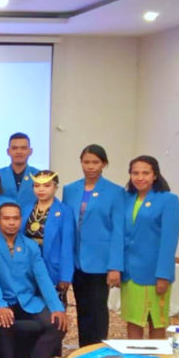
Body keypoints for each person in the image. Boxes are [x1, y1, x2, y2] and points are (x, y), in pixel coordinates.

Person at [0, 202, 68, 358]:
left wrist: (57, 307)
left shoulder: (31, 246)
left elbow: (43, 278)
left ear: (21, 220)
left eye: (15, 218)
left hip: (28, 300)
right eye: (6, 218)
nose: (11, 222)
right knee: (5, 322)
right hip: (3, 300)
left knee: (58, 323)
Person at [63, 145, 124, 346]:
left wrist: (115, 266)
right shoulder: (70, 190)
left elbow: (118, 231)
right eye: (86, 162)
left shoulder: (115, 192)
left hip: (100, 261)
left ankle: (97, 351)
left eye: (95, 162)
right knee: (82, 310)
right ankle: (84, 351)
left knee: (97, 311)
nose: (90, 167)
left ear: (104, 164)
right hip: (76, 261)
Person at [121, 156, 179, 340]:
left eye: (145, 173)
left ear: (155, 175)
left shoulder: (168, 200)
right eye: (135, 173)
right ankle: (134, 356)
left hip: (154, 273)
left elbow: (169, 241)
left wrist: (163, 275)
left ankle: (155, 357)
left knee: (156, 321)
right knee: (133, 320)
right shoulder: (126, 199)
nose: (140, 177)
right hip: (130, 273)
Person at [22, 171, 75, 304]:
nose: (41, 189)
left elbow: (67, 245)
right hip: (27, 265)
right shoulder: (26, 209)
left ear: (55, 187)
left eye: (46, 185)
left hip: (51, 266)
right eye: (37, 186)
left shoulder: (64, 211)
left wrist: (65, 276)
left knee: (52, 305)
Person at [0, 133, 40, 208]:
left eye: (23, 148)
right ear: (8, 151)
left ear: (30, 151)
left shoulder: (39, 175)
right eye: (14, 148)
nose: (19, 152)